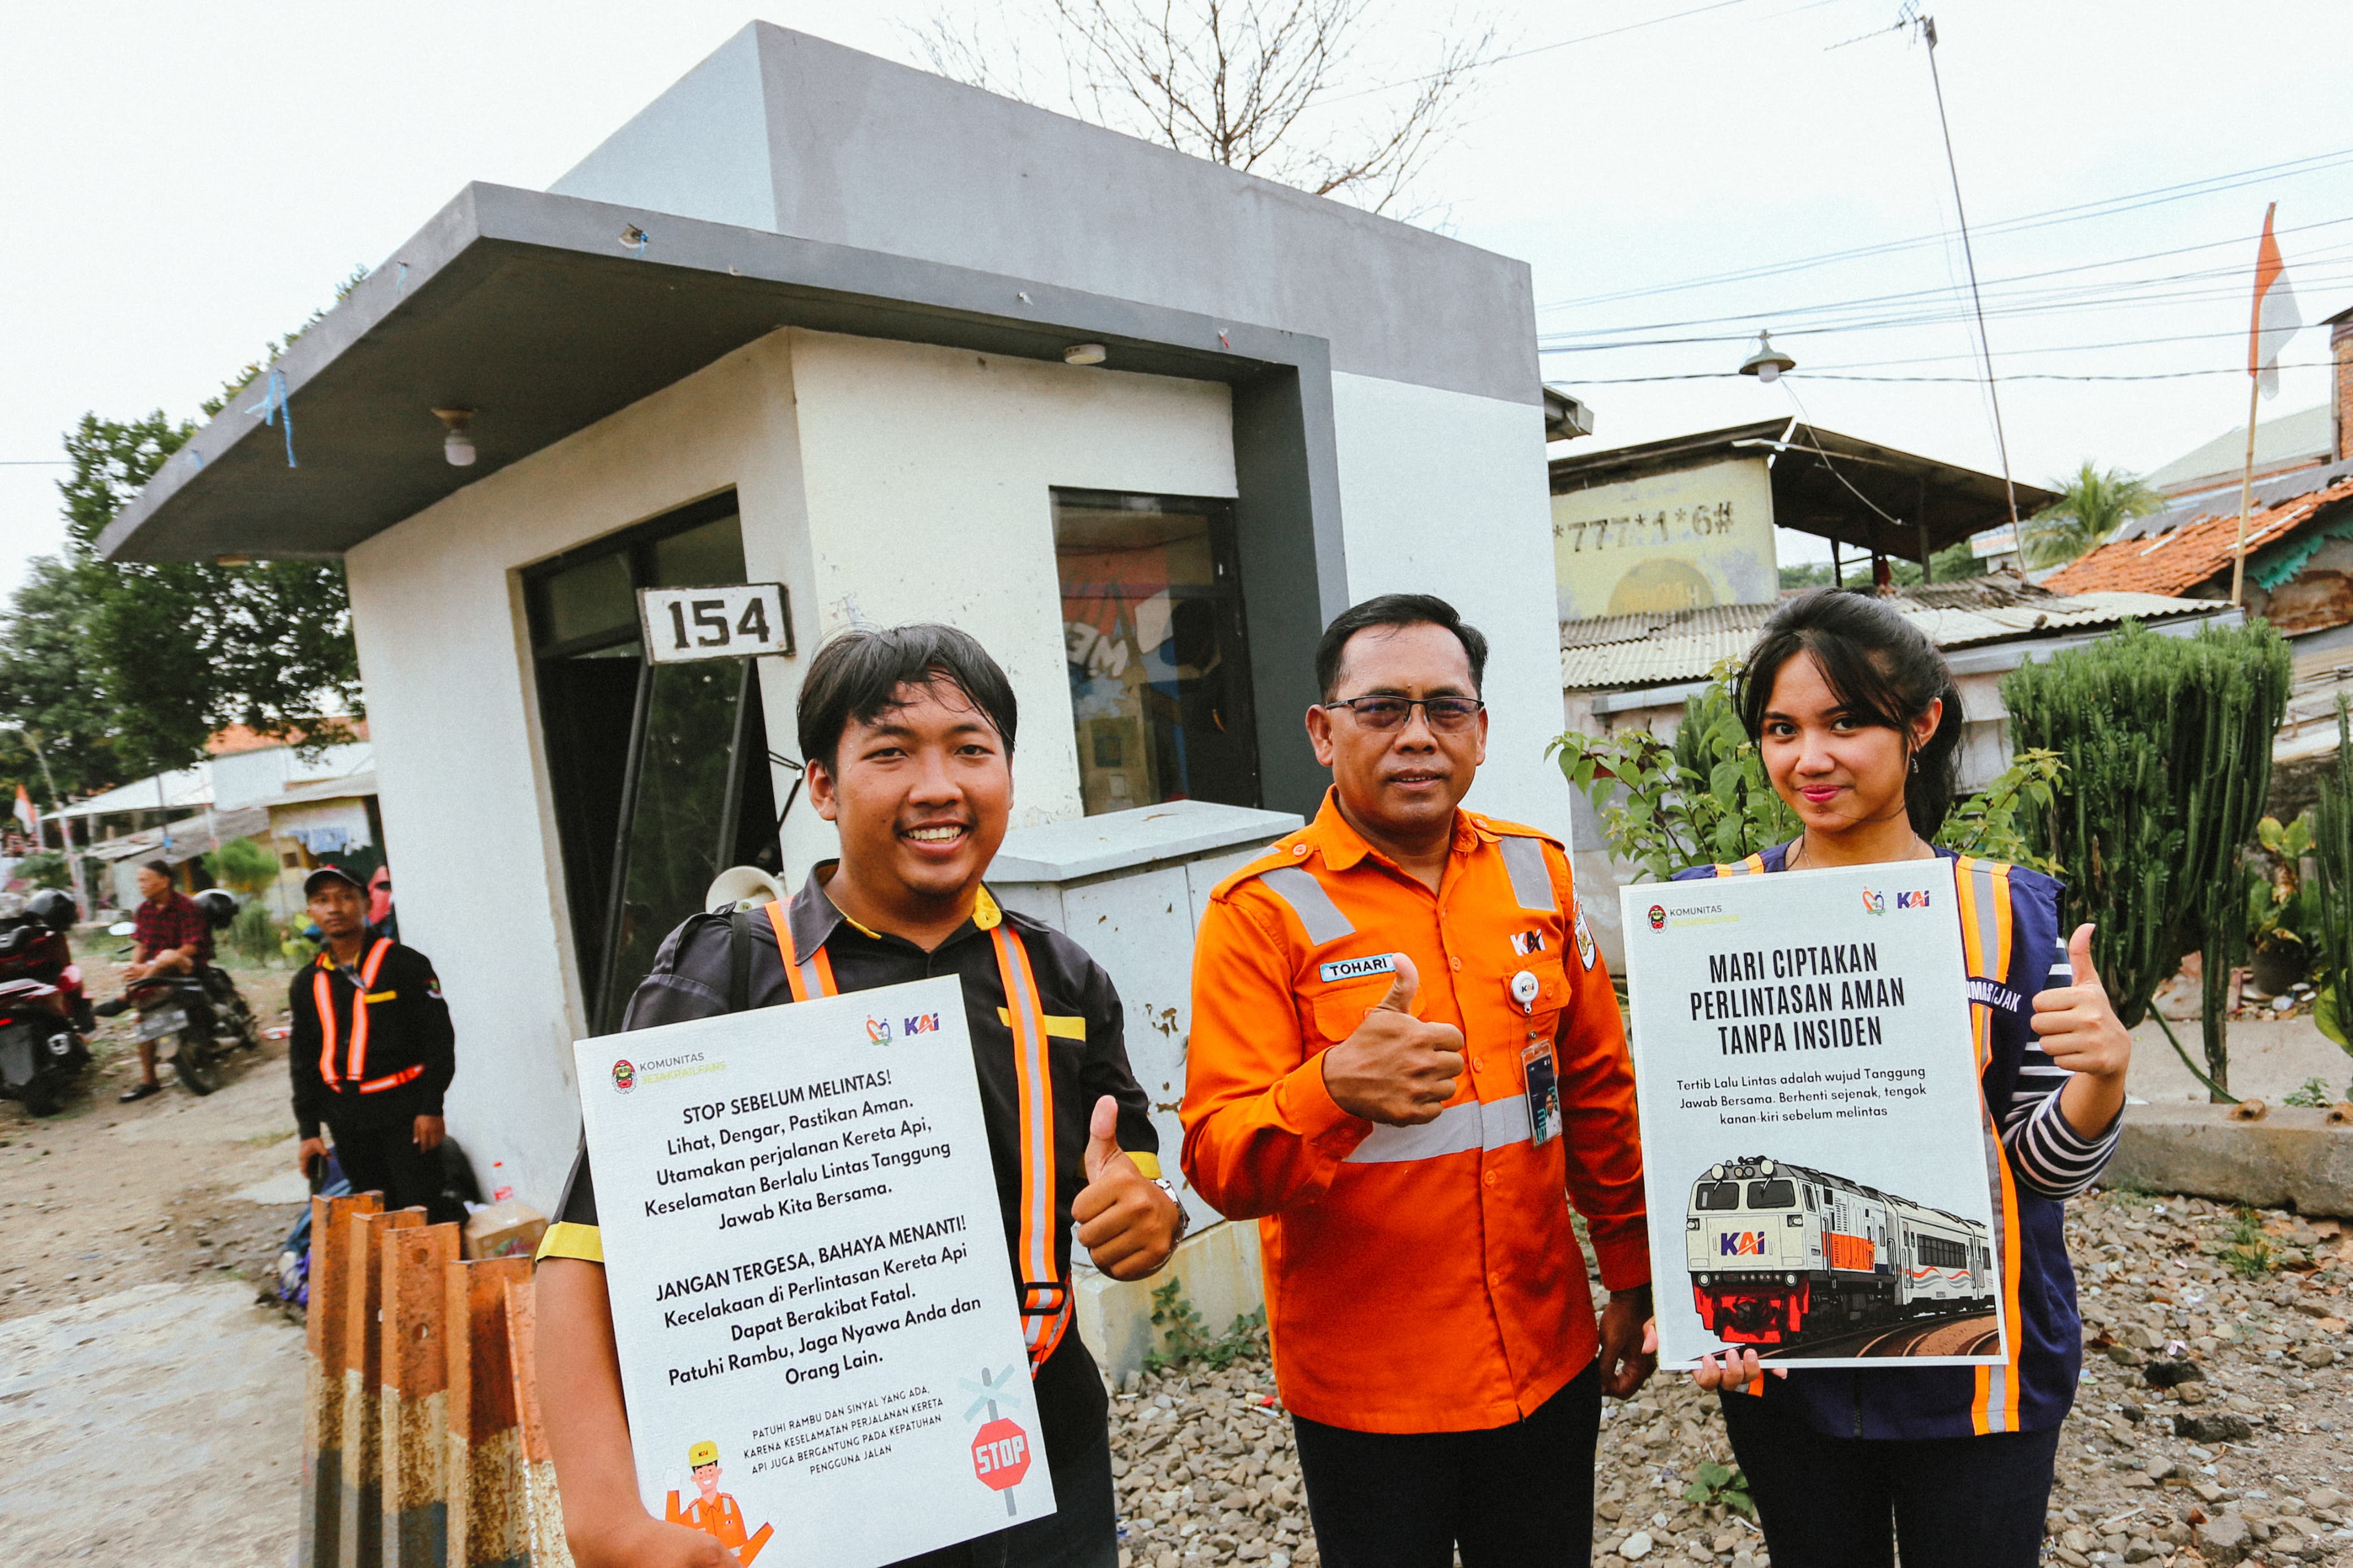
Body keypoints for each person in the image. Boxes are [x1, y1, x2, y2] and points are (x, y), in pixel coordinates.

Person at [536, 624, 1187, 1568]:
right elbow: (586, 1246)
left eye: (972, 749)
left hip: (1048, 1455)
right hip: (819, 1476)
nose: (938, 785)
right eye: (890, 752)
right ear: (825, 787)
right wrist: (601, 1506)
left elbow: (1127, 1160)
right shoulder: (725, 972)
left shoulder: (1061, 976)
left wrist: (1145, 1216)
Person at [1657, 588, 2131, 1567]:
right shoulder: (1707, 920)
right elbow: (1683, 1137)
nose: (1809, 758)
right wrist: (1699, 1305)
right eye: (1781, 729)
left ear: (1921, 724)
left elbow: (2042, 1176)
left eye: (1846, 722)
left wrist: (2102, 1079)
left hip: (1984, 1379)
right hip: (1787, 1384)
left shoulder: (2012, 920)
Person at [1182, 593, 1653, 1568]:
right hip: (1371, 1389)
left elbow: (1599, 1093)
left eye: (1445, 709)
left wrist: (1636, 1275)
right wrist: (1330, 1088)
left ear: (1480, 730)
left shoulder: (1540, 875)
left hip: (1543, 1354)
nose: (1417, 736)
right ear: (1323, 730)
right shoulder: (1260, 912)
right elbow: (1219, 1162)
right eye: (1381, 708)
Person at [289, 865, 458, 1215]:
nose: (334, 908)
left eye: (345, 898)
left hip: (405, 1111)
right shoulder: (307, 983)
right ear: (310, 913)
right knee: (375, 1213)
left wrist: (431, 1108)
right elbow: (303, 1059)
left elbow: (438, 1039)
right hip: (347, 1119)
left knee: (422, 1209)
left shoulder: (405, 964)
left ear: (367, 903)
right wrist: (309, 1131)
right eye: (322, 900)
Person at [118, 860, 214, 1103]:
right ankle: (149, 1080)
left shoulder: (187, 906)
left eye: (145, 880)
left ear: (164, 881)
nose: (141, 885)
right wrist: (134, 967)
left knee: (165, 956)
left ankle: (126, 995)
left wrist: (149, 967)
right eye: (139, 880)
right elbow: (140, 945)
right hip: (155, 973)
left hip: (186, 967)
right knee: (144, 1020)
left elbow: (191, 946)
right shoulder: (143, 910)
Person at [666, 1442, 774, 1566]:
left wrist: (768, 1529)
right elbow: (672, 1540)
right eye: (701, 1472)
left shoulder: (730, 1505)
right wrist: (673, 1492)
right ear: (694, 1478)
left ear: (718, 1471)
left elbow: (745, 1551)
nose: (706, 1475)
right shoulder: (692, 1514)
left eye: (710, 1470)